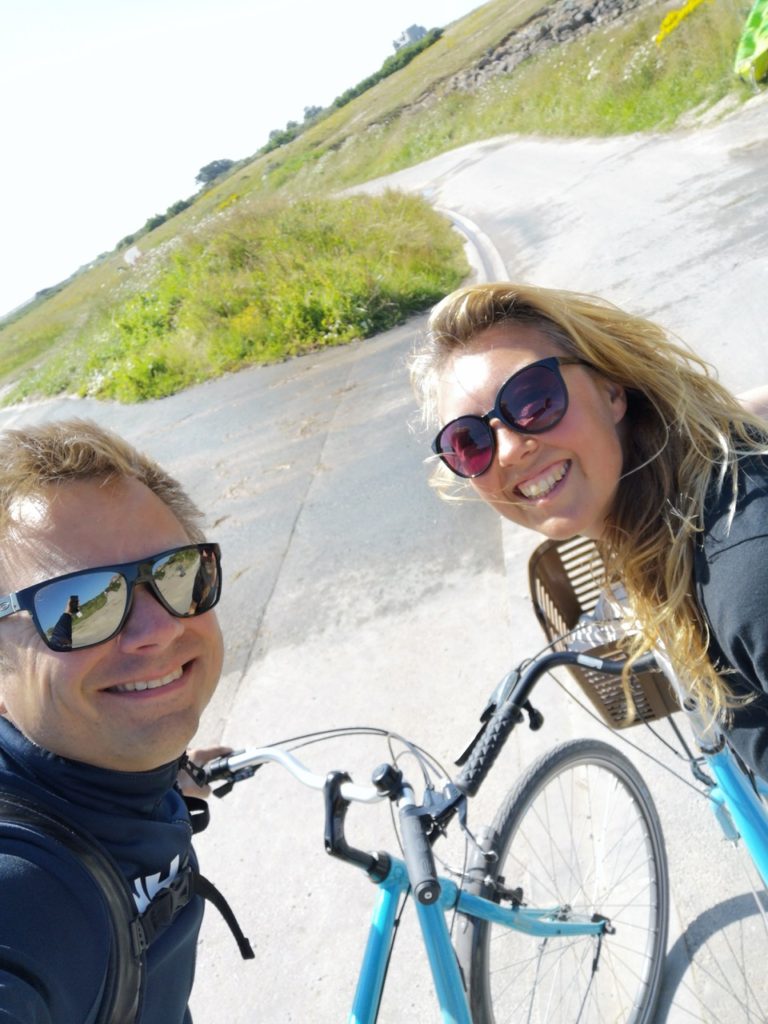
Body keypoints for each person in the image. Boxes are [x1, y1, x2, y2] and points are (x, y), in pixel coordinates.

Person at [410, 281, 768, 779]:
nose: (510, 450)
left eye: (533, 399)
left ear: (611, 390)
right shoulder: (677, 488)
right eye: (468, 442)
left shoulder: (747, 578)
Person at [0, 418, 242, 1023]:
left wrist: (167, 772)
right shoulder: (22, 892)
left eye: (178, 574)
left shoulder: (100, 763)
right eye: (78, 607)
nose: (158, 629)